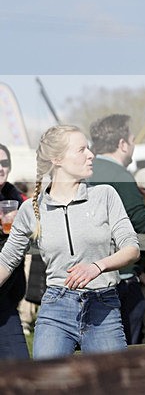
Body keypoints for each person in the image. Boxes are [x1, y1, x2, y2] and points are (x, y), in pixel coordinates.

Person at [0, 125, 140, 359]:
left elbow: (131, 248)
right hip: (56, 308)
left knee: (112, 386)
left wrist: (98, 266)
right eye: (81, 150)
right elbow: (6, 261)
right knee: (48, 386)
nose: (91, 155)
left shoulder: (105, 195)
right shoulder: (31, 209)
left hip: (103, 306)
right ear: (57, 159)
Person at [88, 113, 145, 346]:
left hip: (85, 272)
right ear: (122, 144)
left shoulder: (84, 170)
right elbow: (140, 221)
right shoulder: (119, 175)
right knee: (127, 344)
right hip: (120, 275)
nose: (134, 145)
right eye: (133, 139)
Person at [0, 143, 30, 360]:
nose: (0, 168)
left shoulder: (15, 197)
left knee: (20, 368)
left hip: (6, 299)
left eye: (4, 163)